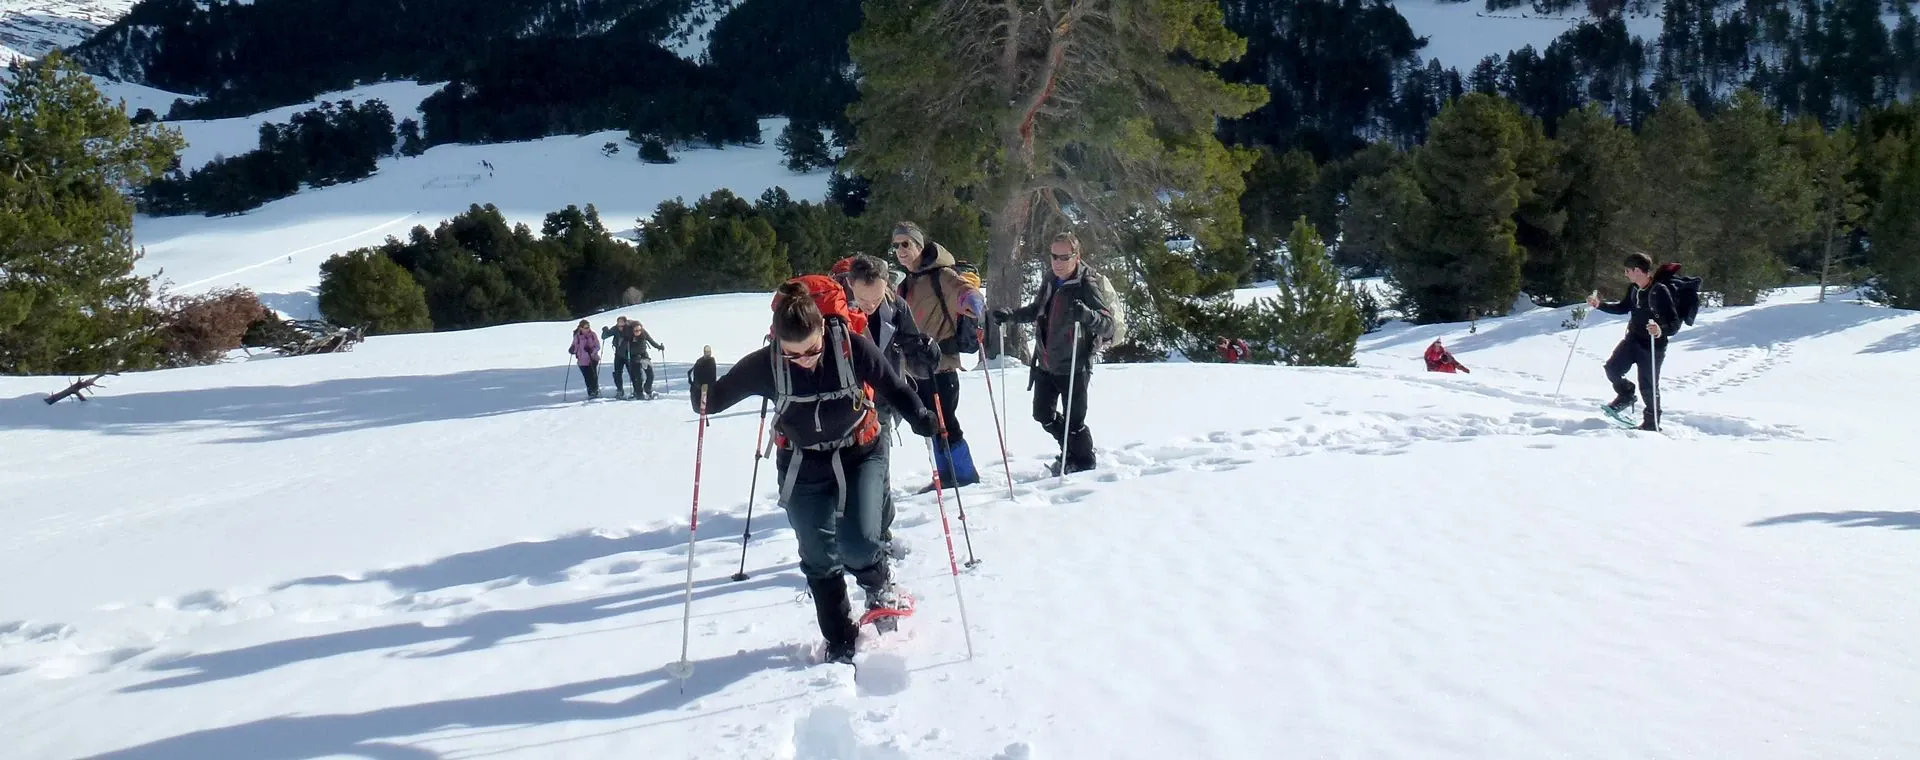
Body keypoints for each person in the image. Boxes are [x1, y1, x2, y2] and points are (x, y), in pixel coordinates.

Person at [695, 278, 936, 663]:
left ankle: (880, 585)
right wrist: (702, 384)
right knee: (817, 552)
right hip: (802, 463)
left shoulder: (851, 347)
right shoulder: (768, 363)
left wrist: (921, 415)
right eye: (793, 355)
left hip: (861, 452)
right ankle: (839, 636)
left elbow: (893, 386)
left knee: (857, 543)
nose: (804, 360)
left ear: (823, 327)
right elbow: (712, 402)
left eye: (810, 350)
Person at [836, 254, 941, 555]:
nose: (870, 305)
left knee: (878, 468)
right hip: (842, 402)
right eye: (863, 298)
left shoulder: (896, 308)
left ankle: (881, 534)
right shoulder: (835, 308)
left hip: (881, 399)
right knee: (842, 472)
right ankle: (844, 534)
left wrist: (925, 352)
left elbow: (910, 351)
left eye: (876, 297)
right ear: (850, 284)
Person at [991, 231, 1116, 475]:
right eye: (1053, 256)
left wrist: (1087, 315)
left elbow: (1108, 325)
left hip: (1074, 366)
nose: (1057, 263)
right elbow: (1038, 310)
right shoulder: (1051, 279)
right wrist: (1012, 316)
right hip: (1046, 362)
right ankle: (1071, 452)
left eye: (1063, 257)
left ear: (1077, 257)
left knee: (1074, 422)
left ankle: (1084, 463)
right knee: (1042, 414)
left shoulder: (1086, 284)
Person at [892, 221, 983, 491]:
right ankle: (947, 475)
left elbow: (964, 290)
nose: (900, 250)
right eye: (896, 246)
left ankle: (964, 476)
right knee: (932, 422)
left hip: (941, 365)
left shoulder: (940, 275)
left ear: (919, 245)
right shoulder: (906, 283)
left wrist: (972, 301)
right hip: (916, 368)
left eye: (906, 244)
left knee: (946, 423)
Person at [1587, 251, 1681, 431]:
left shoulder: (1660, 291)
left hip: (1653, 346)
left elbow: (1674, 323)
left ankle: (1651, 424)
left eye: (1627, 270)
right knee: (1612, 369)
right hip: (1633, 340)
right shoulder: (1634, 289)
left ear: (1637, 270)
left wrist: (1661, 330)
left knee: (1648, 386)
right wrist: (1600, 305)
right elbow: (1623, 308)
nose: (1625, 274)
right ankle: (1626, 395)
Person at [600, 317, 636, 399]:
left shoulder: (629, 329)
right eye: (618, 322)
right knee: (617, 373)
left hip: (628, 354)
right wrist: (605, 331)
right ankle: (620, 390)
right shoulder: (615, 329)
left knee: (632, 373)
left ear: (625, 322)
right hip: (618, 355)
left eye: (621, 322)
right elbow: (604, 337)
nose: (620, 324)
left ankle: (636, 390)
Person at [629, 320, 665, 398]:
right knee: (638, 377)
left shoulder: (644, 333)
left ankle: (648, 389)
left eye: (639, 330)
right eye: (636, 330)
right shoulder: (629, 337)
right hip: (634, 358)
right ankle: (639, 393)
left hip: (644, 356)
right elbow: (627, 349)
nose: (638, 332)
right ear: (632, 330)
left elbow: (651, 341)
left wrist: (659, 347)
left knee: (650, 374)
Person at [569, 320, 601, 398]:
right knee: (587, 377)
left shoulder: (592, 334)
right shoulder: (577, 336)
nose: (587, 329)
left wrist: (592, 351)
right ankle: (590, 392)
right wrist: (572, 349)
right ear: (581, 328)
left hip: (592, 359)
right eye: (585, 327)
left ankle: (595, 391)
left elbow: (597, 346)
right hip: (581, 360)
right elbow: (575, 346)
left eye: (588, 327)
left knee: (593, 375)